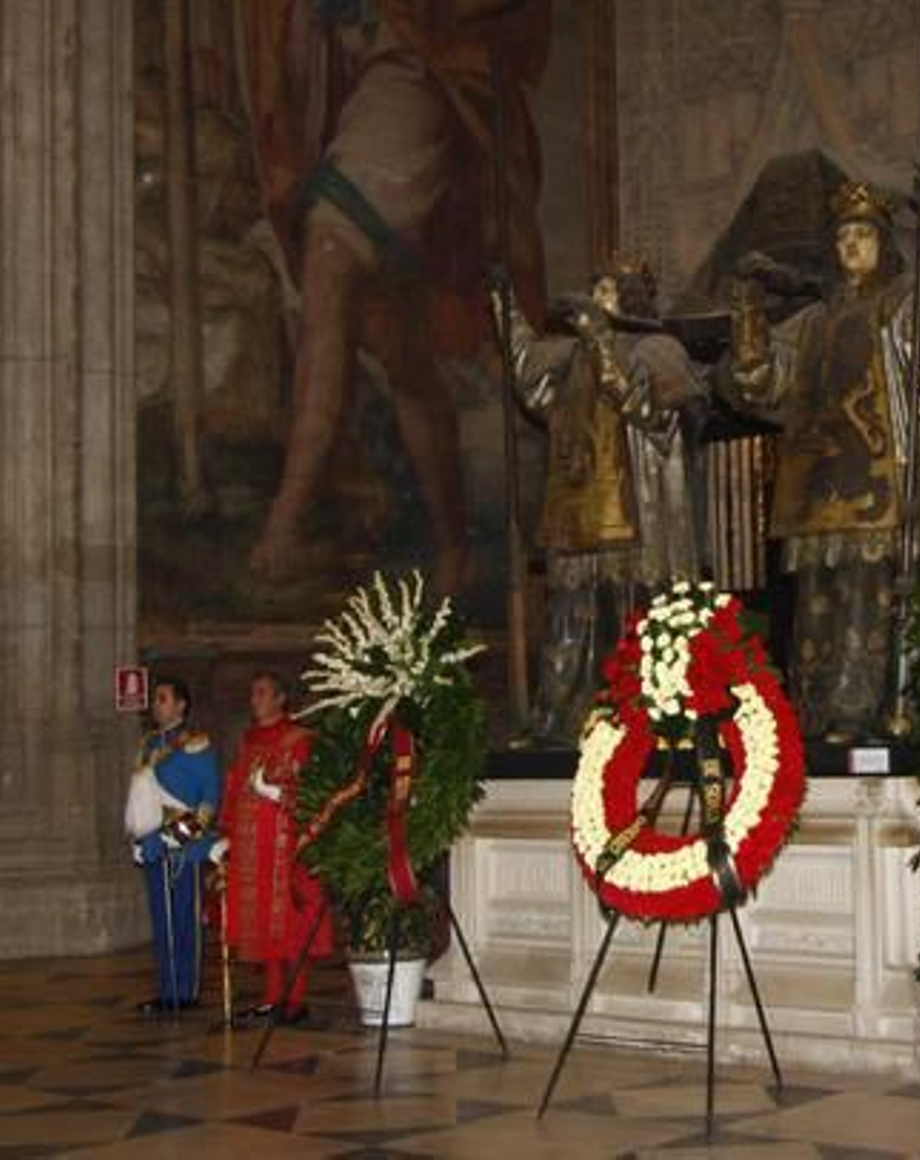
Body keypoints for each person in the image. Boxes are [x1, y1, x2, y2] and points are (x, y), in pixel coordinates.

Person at [240, 0, 549, 593]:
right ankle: (453, 550)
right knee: (405, 358)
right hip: (392, 102)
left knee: (329, 270)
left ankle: (283, 527)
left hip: (403, 102)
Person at [724, 175, 920, 741]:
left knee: (872, 599)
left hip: (884, 479)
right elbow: (760, 381)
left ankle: (865, 710)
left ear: (885, 242)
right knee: (818, 605)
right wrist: (747, 304)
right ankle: (816, 711)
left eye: (863, 234)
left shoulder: (902, 302)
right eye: (842, 237)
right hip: (820, 487)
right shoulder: (813, 321)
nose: (852, 245)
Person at [494, 257, 703, 745]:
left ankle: (652, 718)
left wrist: (600, 342)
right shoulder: (571, 357)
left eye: (608, 291)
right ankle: (560, 720)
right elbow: (530, 377)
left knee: (637, 613)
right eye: (595, 290)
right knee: (571, 618)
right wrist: (505, 306)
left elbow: (651, 412)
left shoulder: (657, 349)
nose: (597, 300)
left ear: (631, 299)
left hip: (639, 510)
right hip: (579, 505)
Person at [219, 672, 333, 1026]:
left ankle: (295, 1001)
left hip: (287, 850)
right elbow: (235, 790)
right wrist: (227, 835)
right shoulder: (249, 742)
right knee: (263, 924)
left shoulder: (299, 740)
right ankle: (271, 998)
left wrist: (277, 793)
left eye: (262, 692)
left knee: (290, 924)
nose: (254, 699)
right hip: (254, 849)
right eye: (253, 693)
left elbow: (312, 794)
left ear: (280, 699)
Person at [124, 676, 222, 1014]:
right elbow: (142, 800)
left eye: (163, 698)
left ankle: (187, 991)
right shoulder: (149, 744)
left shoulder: (196, 743)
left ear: (181, 704)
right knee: (162, 920)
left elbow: (208, 803)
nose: (156, 704)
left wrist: (174, 835)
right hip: (153, 845)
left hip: (185, 847)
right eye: (155, 698)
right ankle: (167, 991)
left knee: (184, 920)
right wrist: (141, 837)